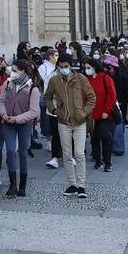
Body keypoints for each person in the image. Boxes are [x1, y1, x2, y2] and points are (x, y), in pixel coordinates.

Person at [45, 53, 95, 199]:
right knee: (67, 154)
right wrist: (54, 110)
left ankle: (81, 185)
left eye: (66, 66)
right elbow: (47, 97)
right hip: (63, 121)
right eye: (61, 67)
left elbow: (91, 97)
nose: (64, 69)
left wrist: (84, 112)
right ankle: (72, 183)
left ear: (71, 66)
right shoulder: (55, 80)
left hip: (79, 121)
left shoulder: (80, 78)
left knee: (79, 153)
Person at [0, 59, 40, 198]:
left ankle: (22, 185)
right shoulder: (8, 83)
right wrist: (4, 114)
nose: (12, 72)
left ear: (23, 71)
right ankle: (12, 184)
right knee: (10, 151)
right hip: (8, 122)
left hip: (24, 123)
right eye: (12, 70)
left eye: (15, 70)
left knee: (23, 152)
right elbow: (1, 101)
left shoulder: (32, 88)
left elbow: (33, 111)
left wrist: (17, 118)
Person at [86, 58, 118, 175]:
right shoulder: (87, 80)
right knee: (94, 138)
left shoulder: (105, 78)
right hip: (92, 114)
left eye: (89, 67)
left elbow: (112, 96)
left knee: (105, 136)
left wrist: (107, 110)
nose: (87, 70)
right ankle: (98, 160)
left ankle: (107, 162)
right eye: (86, 68)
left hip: (105, 114)